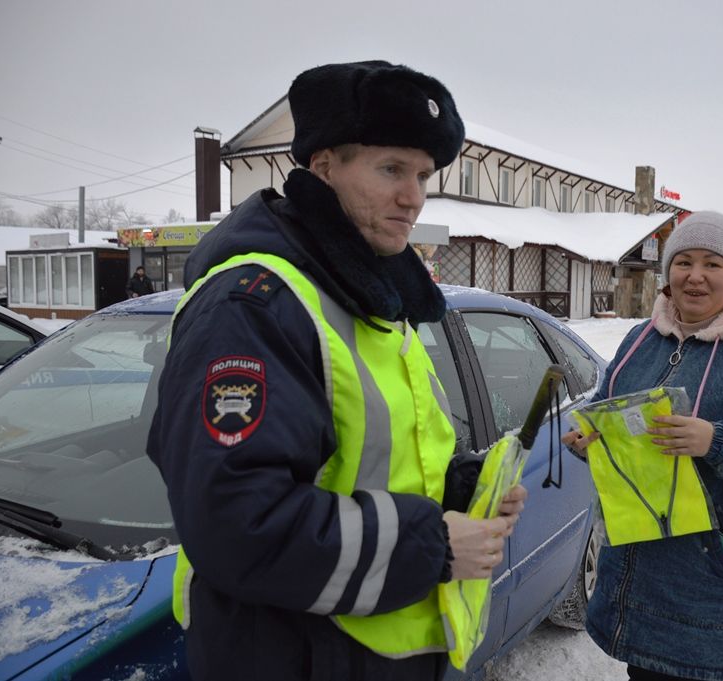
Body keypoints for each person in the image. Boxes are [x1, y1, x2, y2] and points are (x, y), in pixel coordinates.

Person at [146, 60, 526, 681]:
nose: (414, 196)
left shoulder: (371, 298)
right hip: (297, 655)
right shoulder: (254, 305)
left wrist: (462, 491)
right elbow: (239, 523)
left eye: (424, 175)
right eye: (390, 170)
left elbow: (363, 462)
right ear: (323, 166)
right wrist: (433, 544)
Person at [563, 211, 723, 681]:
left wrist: (716, 440)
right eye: (683, 262)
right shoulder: (642, 339)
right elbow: (606, 404)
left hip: (707, 575)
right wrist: (591, 438)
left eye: (712, 264)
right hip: (636, 568)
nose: (694, 276)